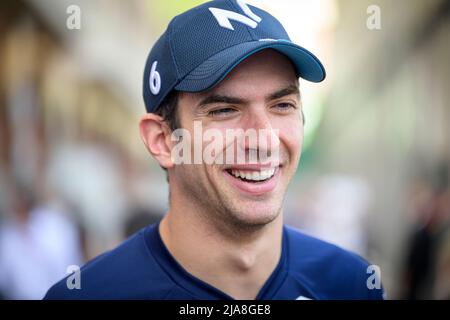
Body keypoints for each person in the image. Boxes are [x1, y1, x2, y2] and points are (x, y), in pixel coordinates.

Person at [44, 0, 384, 300]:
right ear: (163, 141)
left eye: (282, 105)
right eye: (224, 110)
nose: (263, 139)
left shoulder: (349, 283)